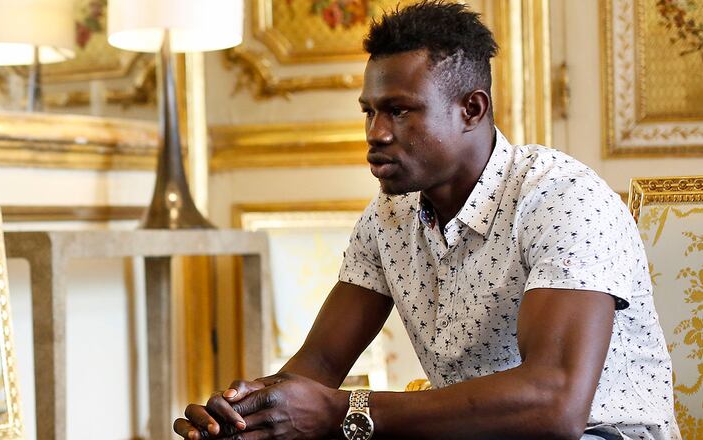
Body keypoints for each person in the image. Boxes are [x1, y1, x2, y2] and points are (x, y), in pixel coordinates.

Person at [174, 1, 680, 439]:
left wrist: (344, 412)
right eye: (369, 112)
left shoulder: (561, 197)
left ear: (472, 109)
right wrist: (242, 416)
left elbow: (555, 404)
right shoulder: (389, 216)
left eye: (399, 111)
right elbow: (321, 366)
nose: (375, 132)